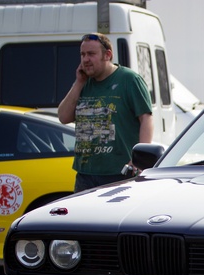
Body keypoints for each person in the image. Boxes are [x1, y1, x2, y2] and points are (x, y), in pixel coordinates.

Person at [58, 33, 153, 192]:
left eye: (91, 54)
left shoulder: (129, 79)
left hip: (120, 174)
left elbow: (146, 118)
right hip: (85, 175)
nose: (85, 59)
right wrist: (79, 82)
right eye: (82, 54)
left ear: (107, 55)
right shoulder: (83, 84)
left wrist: (140, 159)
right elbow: (63, 117)